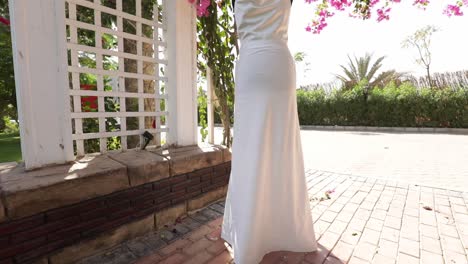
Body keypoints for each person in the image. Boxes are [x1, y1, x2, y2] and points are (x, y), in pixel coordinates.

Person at [221, 0, 318, 263]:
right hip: (278, 64)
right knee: (282, 148)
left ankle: (252, 233)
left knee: (250, 149)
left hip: (252, 63)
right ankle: (282, 227)